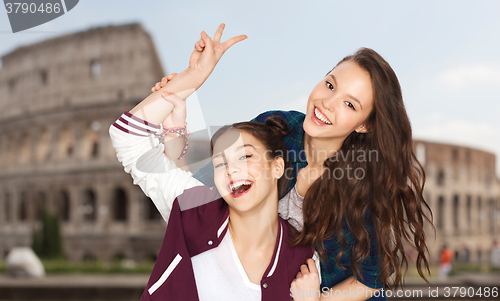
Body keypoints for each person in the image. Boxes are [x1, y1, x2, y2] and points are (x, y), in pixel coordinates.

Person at [150, 24, 434, 300]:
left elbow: (370, 279)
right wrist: (183, 92)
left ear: (365, 126)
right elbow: (202, 189)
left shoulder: (364, 180)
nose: (327, 102)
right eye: (330, 84)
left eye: (350, 104)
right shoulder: (276, 127)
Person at [109, 96, 319, 300]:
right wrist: (192, 77)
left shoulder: (304, 261)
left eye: (245, 156)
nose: (231, 170)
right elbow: (127, 138)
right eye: (220, 163)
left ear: (277, 167)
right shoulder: (194, 210)